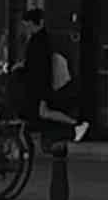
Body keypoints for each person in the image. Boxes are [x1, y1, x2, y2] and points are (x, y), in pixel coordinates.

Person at [17, 8, 89, 143]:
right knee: (43, 113)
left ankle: (75, 125)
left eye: (28, 25)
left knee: (43, 113)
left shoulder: (38, 41)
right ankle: (73, 126)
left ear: (35, 24)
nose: (27, 29)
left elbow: (39, 67)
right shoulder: (42, 40)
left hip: (39, 87)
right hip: (41, 86)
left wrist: (24, 68)